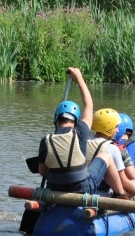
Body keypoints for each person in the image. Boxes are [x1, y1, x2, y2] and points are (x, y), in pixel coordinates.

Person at [36, 67, 128, 197]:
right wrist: (79, 78)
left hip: (54, 188)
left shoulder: (45, 140)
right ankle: (121, 195)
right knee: (105, 156)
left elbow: (42, 172)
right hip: (82, 189)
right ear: (76, 121)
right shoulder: (80, 132)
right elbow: (89, 105)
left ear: (56, 119)